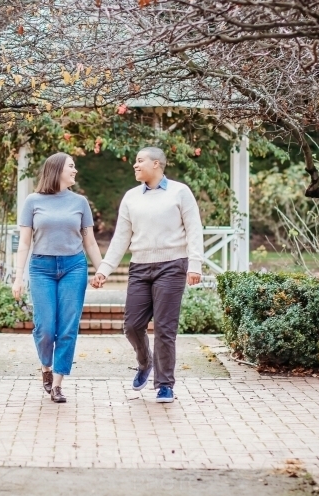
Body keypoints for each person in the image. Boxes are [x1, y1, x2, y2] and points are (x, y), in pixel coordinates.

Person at [91, 147, 204, 404]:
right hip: (140, 267)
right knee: (132, 326)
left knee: (165, 329)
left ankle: (165, 385)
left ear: (157, 164)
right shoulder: (131, 197)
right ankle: (145, 362)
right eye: (135, 161)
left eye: (140, 161)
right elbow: (121, 237)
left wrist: (195, 264)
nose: (135, 165)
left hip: (172, 266)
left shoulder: (180, 192)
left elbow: (194, 229)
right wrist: (104, 270)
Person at [13, 152, 103, 403]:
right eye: (71, 167)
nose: (75, 171)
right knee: (45, 328)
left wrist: (101, 269)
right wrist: (18, 277)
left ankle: (58, 384)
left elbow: (90, 242)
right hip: (41, 268)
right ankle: (46, 368)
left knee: (67, 328)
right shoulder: (33, 201)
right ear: (57, 170)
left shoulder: (80, 202)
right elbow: (24, 244)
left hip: (74, 267)